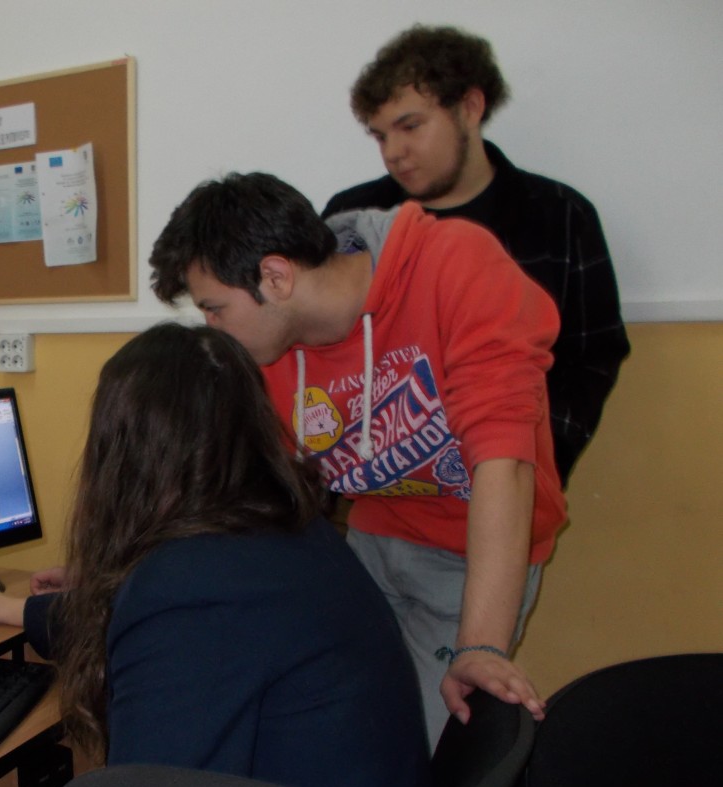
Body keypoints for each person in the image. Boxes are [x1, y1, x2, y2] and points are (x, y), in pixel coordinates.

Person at [0, 322, 431, 787]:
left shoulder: (190, 586)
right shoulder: (284, 530)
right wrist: (13, 610)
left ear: (126, 453)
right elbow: (162, 629)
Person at [149, 172, 567, 748]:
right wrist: (127, 561)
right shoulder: (268, 349)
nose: (212, 327)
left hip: (470, 556)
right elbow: (225, 482)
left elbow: (505, 460)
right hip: (371, 547)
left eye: (215, 308)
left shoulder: (455, 264)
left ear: (276, 276)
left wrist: (479, 647)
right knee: (322, 728)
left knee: (415, 750)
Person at [322, 24, 630, 485]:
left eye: (410, 126)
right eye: (380, 136)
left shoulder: (561, 216)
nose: (394, 152)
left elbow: (592, 356)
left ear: (470, 107)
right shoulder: (352, 219)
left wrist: (536, 455)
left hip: (511, 472)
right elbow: (321, 349)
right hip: (383, 488)